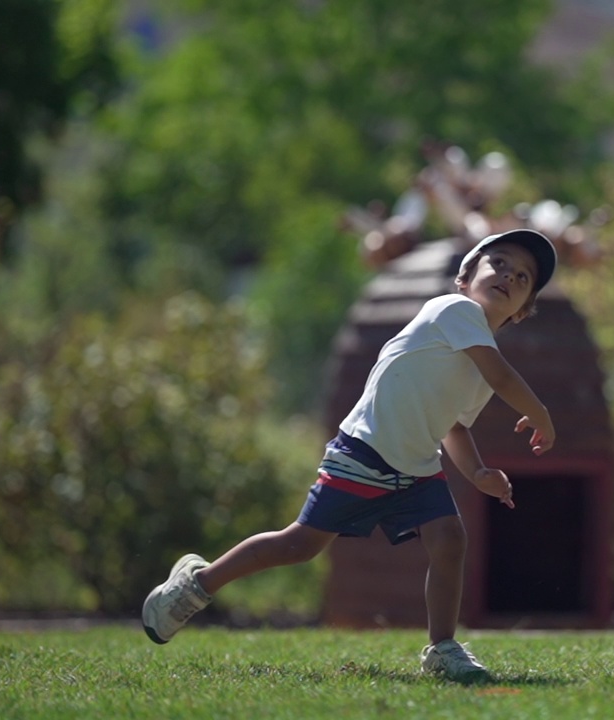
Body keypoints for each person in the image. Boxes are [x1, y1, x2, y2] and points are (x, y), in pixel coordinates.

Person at [142, 228, 558, 683]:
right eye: (498, 262)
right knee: (298, 546)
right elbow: (503, 378)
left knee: (450, 541)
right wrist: (540, 414)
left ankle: (442, 648)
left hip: (416, 468)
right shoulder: (454, 309)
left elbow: (455, 425)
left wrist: (476, 472)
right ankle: (195, 586)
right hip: (364, 452)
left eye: (522, 277)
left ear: (522, 311)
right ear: (463, 276)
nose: (508, 276)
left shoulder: (481, 361)